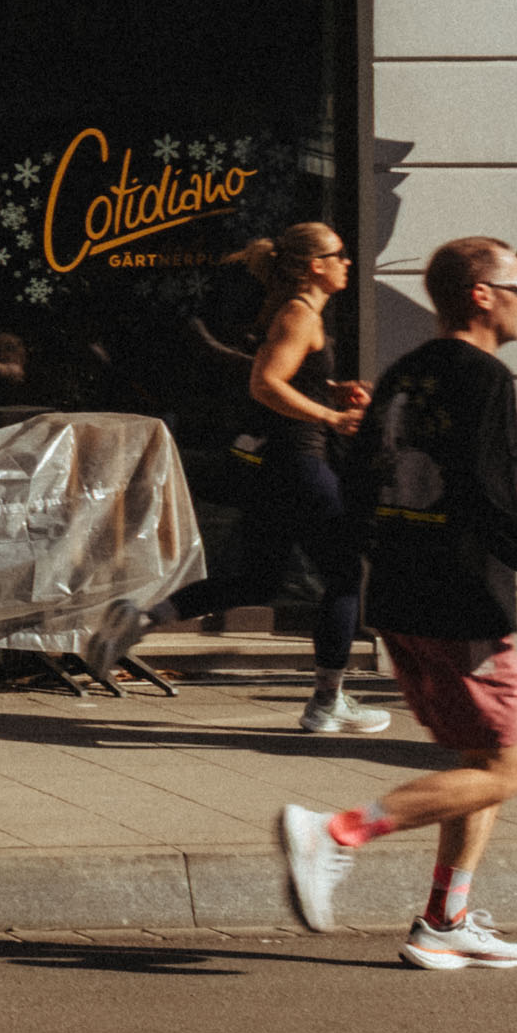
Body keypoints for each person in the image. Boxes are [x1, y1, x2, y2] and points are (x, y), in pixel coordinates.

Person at [276, 237, 517, 968]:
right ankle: (336, 832)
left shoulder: (403, 373)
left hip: (401, 594)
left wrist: (373, 558)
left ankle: (443, 921)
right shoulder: (484, 378)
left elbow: (359, 477)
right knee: (505, 772)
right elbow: (492, 503)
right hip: (463, 601)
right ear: (482, 295)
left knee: (476, 762)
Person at [146, 223, 386, 734]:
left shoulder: (298, 313)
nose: (347, 261)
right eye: (339, 254)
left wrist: (330, 390)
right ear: (314, 266)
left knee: (256, 580)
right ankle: (326, 702)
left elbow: (289, 378)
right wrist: (330, 416)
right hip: (302, 464)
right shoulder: (300, 314)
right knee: (344, 575)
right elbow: (266, 384)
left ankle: (142, 617)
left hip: (280, 468)